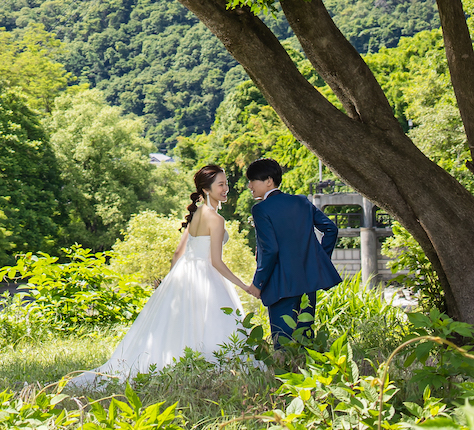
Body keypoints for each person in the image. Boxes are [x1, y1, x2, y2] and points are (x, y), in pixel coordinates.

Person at [69, 163, 255, 387]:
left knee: (177, 324)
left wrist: (169, 284)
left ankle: (179, 364)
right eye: (221, 184)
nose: (226, 188)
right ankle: (204, 367)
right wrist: (244, 286)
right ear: (206, 189)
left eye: (227, 183)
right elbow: (216, 262)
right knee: (210, 323)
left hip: (184, 275)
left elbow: (178, 253)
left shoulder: (196, 215)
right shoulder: (216, 219)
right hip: (205, 276)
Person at [244, 157, 341, 343]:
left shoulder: (261, 209)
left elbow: (270, 250)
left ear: (269, 181)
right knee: (305, 340)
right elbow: (331, 229)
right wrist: (318, 261)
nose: (250, 186)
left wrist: (258, 284)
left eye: (252, 181)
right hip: (307, 283)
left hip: (281, 286)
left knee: (283, 343)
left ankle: (284, 370)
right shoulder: (301, 202)